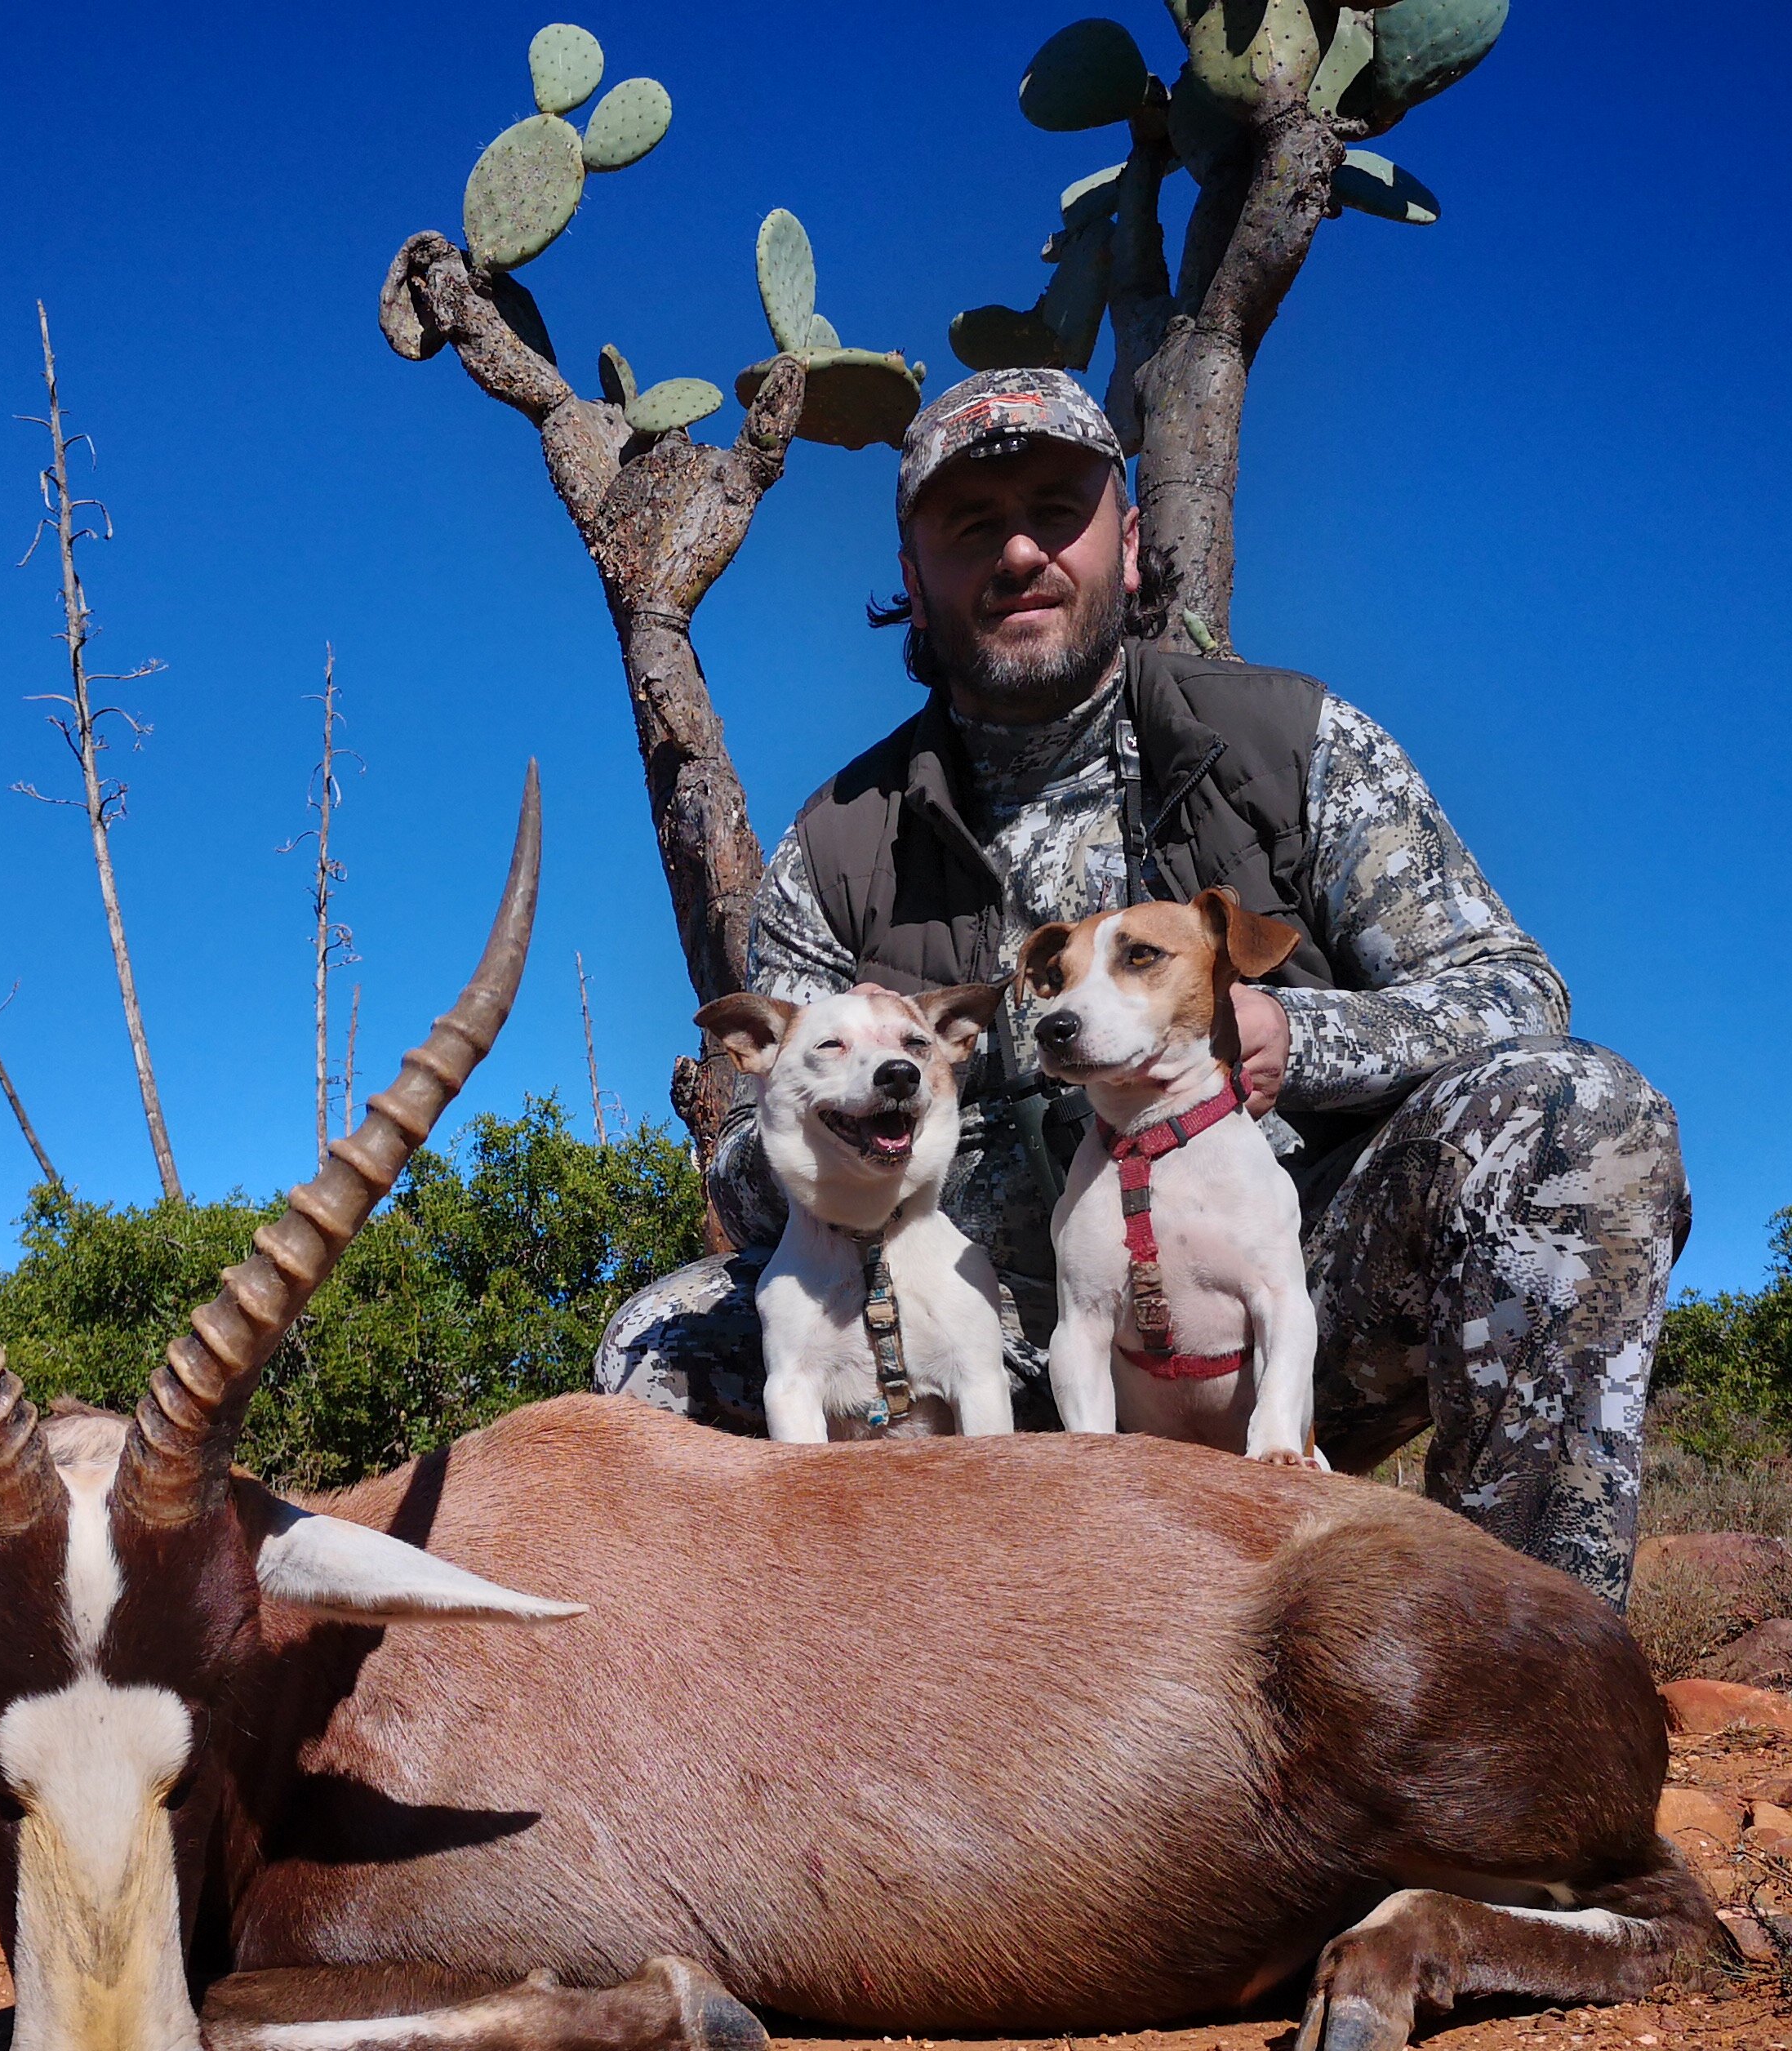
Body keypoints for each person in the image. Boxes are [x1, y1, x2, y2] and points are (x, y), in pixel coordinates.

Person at [595, 368, 1688, 1611]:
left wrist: (1283, 1030)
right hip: (974, 1337)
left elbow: (1511, 992)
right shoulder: (839, 844)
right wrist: (901, 1099)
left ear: (1128, 541)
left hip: (1285, 1306)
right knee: (664, 1341)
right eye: (970, 524)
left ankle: (1532, 1678)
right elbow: (749, 1169)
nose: (1019, 550)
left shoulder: (1294, 743)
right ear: (913, 567)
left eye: (1057, 507)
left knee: (1576, 1120)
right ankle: (808, 1733)